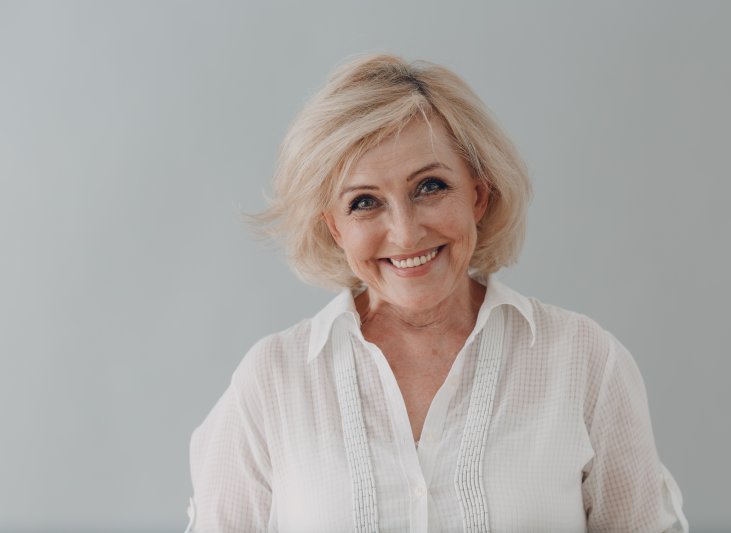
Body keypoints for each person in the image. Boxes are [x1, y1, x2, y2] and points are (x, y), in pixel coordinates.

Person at [185, 54, 688, 532]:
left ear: (478, 194)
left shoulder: (585, 362)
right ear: (334, 228)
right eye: (364, 202)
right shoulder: (272, 382)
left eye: (430, 187)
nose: (405, 234)